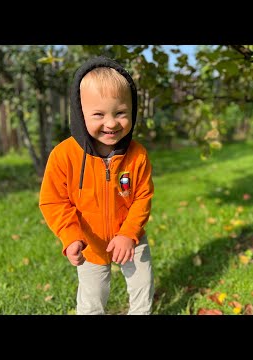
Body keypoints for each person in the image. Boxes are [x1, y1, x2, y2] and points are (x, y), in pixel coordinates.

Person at [39, 56, 154, 315]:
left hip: (130, 235)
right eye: (99, 114)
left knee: (142, 283)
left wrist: (129, 233)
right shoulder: (64, 155)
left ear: (132, 110)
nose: (111, 123)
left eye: (120, 113)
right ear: (81, 114)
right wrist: (70, 238)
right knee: (92, 298)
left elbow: (142, 196)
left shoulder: (137, 154)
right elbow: (53, 201)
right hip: (88, 240)